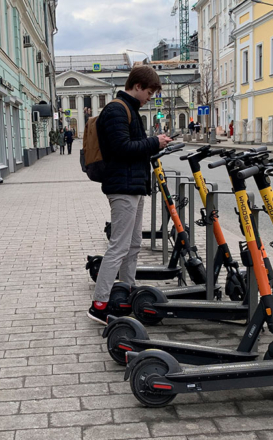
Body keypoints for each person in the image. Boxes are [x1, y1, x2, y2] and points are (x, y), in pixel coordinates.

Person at [88, 65, 172, 324]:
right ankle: (99, 304)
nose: (150, 97)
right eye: (149, 92)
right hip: (121, 188)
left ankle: (125, 291)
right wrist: (153, 142)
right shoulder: (116, 109)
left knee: (133, 244)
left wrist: (155, 146)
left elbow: (132, 148)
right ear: (137, 86)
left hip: (133, 186)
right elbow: (121, 147)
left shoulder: (130, 110)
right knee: (119, 247)